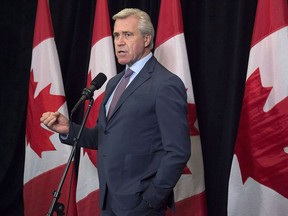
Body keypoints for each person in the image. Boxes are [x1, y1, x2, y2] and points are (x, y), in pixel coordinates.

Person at [41, 8, 191, 216]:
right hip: (109, 200)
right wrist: (69, 129)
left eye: (127, 35)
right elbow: (105, 136)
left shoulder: (165, 84)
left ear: (147, 39)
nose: (119, 41)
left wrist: (152, 199)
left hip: (140, 204)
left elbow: (178, 151)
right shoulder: (113, 83)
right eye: (116, 35)